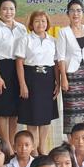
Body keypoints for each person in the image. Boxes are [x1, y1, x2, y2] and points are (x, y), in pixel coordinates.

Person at [0, 0, 27, 156]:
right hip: (1, 68)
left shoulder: (21, 28)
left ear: (15, 10)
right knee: (2, 110)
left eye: (11, 9)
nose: (8, 12)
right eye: (4, 9)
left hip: (18, 68)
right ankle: (5, 144)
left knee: (15, 110)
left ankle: (11, 141)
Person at [15, 10, 59, 155]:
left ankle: (42, 146)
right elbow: (19, 63)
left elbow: (56, 64)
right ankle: (33, 148)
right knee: (32, 116)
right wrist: (22, 84)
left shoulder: (53, 41)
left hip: (48, 79)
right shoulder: (25, 39)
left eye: (43, 21)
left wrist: (58, 83)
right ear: (31, 24)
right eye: (37, 21)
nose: (41, 24)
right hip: (31, 79)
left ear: (47, 23)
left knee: (46, 116)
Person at [56, 0, 84, 134]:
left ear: (83, 13)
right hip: (71, 76)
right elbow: (60, 57)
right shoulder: (63, 32)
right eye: (72, 10)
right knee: (71, 110)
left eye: (78, 10)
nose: (75, 13)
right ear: (68, 14)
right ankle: (72, 142)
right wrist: (63, 78)